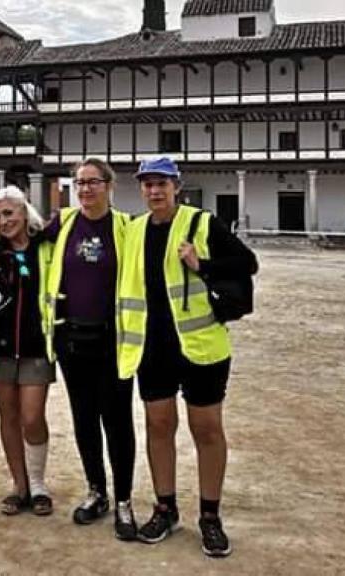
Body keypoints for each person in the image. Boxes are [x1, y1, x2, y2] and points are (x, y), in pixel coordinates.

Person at [117, 157, 257, 556]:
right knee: (159, 426)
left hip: (201, 346)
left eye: (162, 183)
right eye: (148, 184)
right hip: (152, 347)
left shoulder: (202, 223)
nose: (154, 191)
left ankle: (210, 516)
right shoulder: (134, 229)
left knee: (207, 429)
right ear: (141, 189)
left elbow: (248, 263)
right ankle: (166, 508)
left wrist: (202, 264)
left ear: (176, 186)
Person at [42, 159, 138, 540]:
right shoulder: (63, 222)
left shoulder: (126, 227)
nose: (85, 189)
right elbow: (23, 242)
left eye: (92, 182)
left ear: (109, 186)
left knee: (117, 422)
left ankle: (124, 501)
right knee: (83, 419)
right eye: (79, 182)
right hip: (71, 340)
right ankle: (96, 491)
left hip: (112, 340)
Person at [0, 186, 55, 516]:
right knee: (9, 416)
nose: (4, 221)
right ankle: (20, 485)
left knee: (32, 417)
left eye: (9, 213)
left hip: (36, 346)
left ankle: (38, 483)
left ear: (24, 211)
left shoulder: (45, 246)